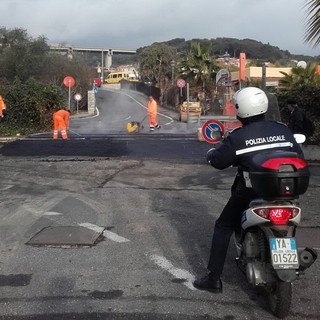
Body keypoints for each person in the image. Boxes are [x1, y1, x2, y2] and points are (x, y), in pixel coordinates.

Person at [193, 87, 303, 293]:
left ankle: (213, 279)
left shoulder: (238, 137)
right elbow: (299, 156)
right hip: (286, 192)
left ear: (239, 110)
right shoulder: (283, 130)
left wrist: (210, 154)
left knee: (223, 226)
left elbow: (219, 161)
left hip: (250, 193)